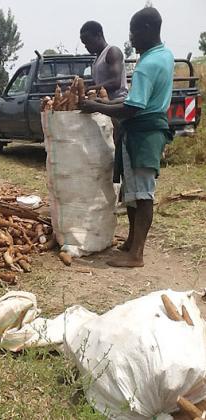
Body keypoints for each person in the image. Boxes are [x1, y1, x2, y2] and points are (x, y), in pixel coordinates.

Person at [81, 7, 174, 268]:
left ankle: (137, 254)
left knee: (142, 194)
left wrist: (95, 106)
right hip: (143, 129)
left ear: (146, 29)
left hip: (143, 132)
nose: (130, 38)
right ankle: (132, 242)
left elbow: (132, 107)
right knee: (132, 191)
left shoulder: (148, 64)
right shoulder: (164, 55)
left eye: (133, 32)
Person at [80, 20, 128, 100]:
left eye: (88, 42)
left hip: (117, 102)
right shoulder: (96, 60)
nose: (86, 46)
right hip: (105, 103)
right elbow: (100, 83)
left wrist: (89, 89)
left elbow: (115, 82)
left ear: (98, 35)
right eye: (84, 44)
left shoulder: (112, 52)